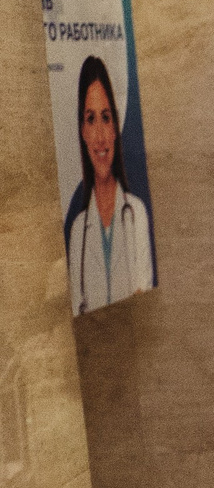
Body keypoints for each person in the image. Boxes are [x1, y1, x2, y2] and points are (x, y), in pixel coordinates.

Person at [63, 54, 154, 312]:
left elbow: (144, 302)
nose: (101, 136)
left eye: (106, 117)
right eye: (91, 119)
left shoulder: (136, 214)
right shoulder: (79, 230)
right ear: (82, 131)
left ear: (115, 127)